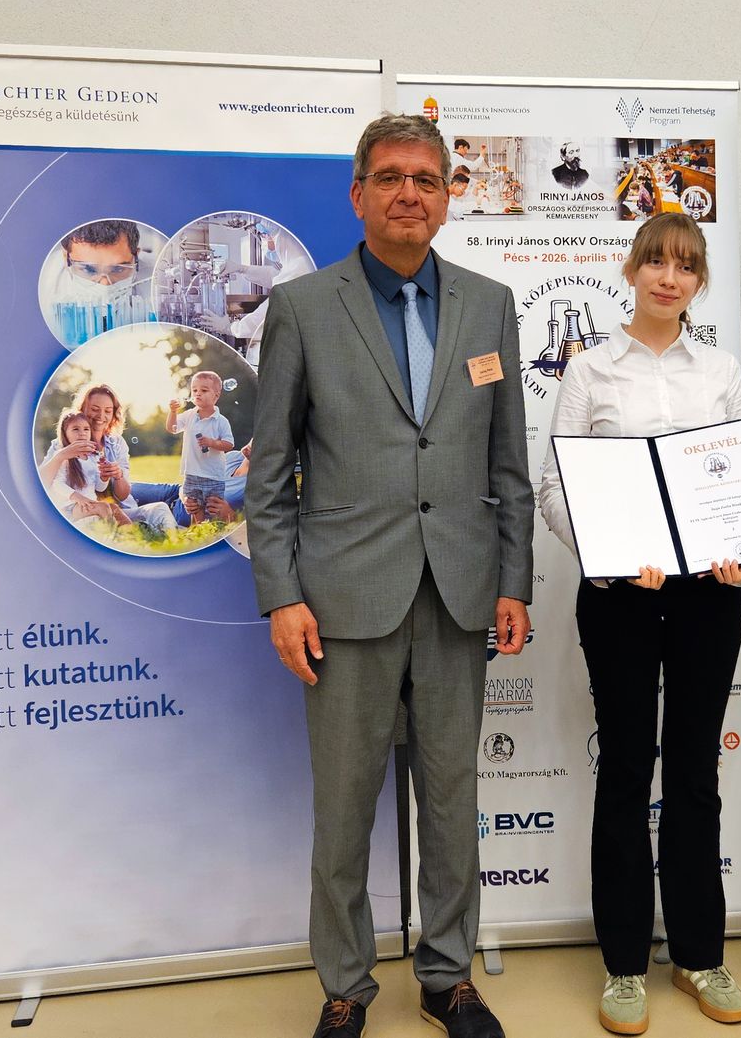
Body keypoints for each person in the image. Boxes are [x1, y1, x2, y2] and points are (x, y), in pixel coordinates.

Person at [247, 113, 533, 1038]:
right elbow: (269, 472)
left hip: (459, 591)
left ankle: (449, 977)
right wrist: (282, 595)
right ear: (359, 195)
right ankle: (344, 985)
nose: (409, 192)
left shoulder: (489, 305)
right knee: (343, 808)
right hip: (344, 597)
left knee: (453, 800)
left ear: (447, 197)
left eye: (426, 178)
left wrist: (515, 580)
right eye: (391, 177)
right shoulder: (303, 307)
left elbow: (508, 463)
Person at [535, 213, 741, 1035]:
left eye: (685, 265)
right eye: (655, 261)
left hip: (708, 595)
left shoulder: (720, 370)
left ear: (699, 282)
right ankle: (625, 964)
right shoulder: (590, 369)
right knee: (626, 770)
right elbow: (555, 488)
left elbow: (737, 483)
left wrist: (739, 549)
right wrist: (614, 558)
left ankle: (699, 955)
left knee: (695, 772)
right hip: (619, 595)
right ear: (630, 270)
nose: (669, 277)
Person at [39, 400, 175, 533]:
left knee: (114, 508)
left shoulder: (93, 457)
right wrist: (78, 497)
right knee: (104, 508)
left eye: (86, 429)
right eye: (75, 429)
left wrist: (104, 477)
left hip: (90, 504)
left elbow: (100, 488)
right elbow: (56, 484)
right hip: (71, 506)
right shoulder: (62, 455)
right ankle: (116, 535)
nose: (82, 433)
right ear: (65, 433)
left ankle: (133, 535)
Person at [73, 382, 191, 528]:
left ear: (113, 413)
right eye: (95, 409)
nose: (101, 416)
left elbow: (123, 495)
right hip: (101, 512)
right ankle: (170, 527)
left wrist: (119, 475)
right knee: (164, 506)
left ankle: (177, 526)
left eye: (108, 411)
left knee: (173, 497)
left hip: (124, 505)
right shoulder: (69, 444)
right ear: (82, 410)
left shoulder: (116, 442)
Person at [169, 370, 235, 523]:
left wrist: (212, 443)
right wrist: (172, 412)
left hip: (213, 475)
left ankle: (215, 529)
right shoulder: (189, 415)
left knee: (213, 506)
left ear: (216, 396)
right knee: (194, 506)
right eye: (194, 390)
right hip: (192, 473)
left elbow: (229, 444)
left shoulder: (221, 421)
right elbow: (172, 428)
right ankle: (199, 529)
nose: (198, 393)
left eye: (204, 390)